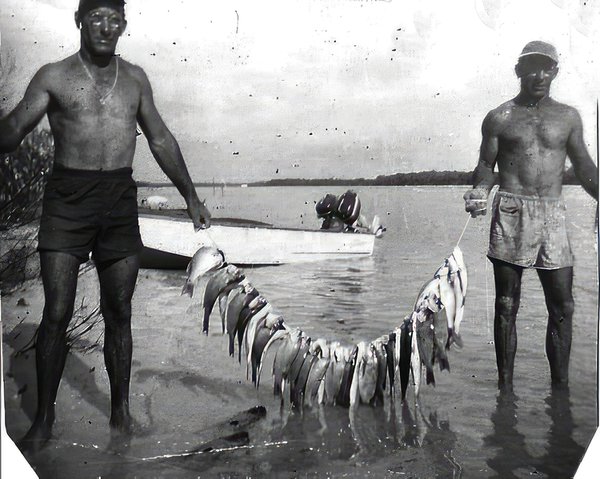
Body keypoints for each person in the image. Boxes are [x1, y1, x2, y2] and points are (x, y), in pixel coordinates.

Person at [0, 0, 211, 452]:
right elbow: (17, 124)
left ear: (124, 25)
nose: (105, 26)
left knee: (120, 313)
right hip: (66, 200)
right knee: (56, 313)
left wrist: (190, 196)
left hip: (118, 200)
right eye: (96, 16)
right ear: (79, 20)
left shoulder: (134, 79)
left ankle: (120, 413)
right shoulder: (53, 75)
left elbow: (159, 138)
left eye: (114, 18)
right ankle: (44, 417)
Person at [463, 41, 598, 392]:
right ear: (519, 71)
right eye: (532, 67)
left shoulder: (568, 117)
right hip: (511, 209)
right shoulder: (499, 117)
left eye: (547, 67)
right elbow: (485, 166)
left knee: (563, 305)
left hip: (553, 214)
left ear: (556, 71)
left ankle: (561, 391)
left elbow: (583, 166)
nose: (539, 75)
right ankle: (505, 392)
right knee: (507, 303)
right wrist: (480, 190)